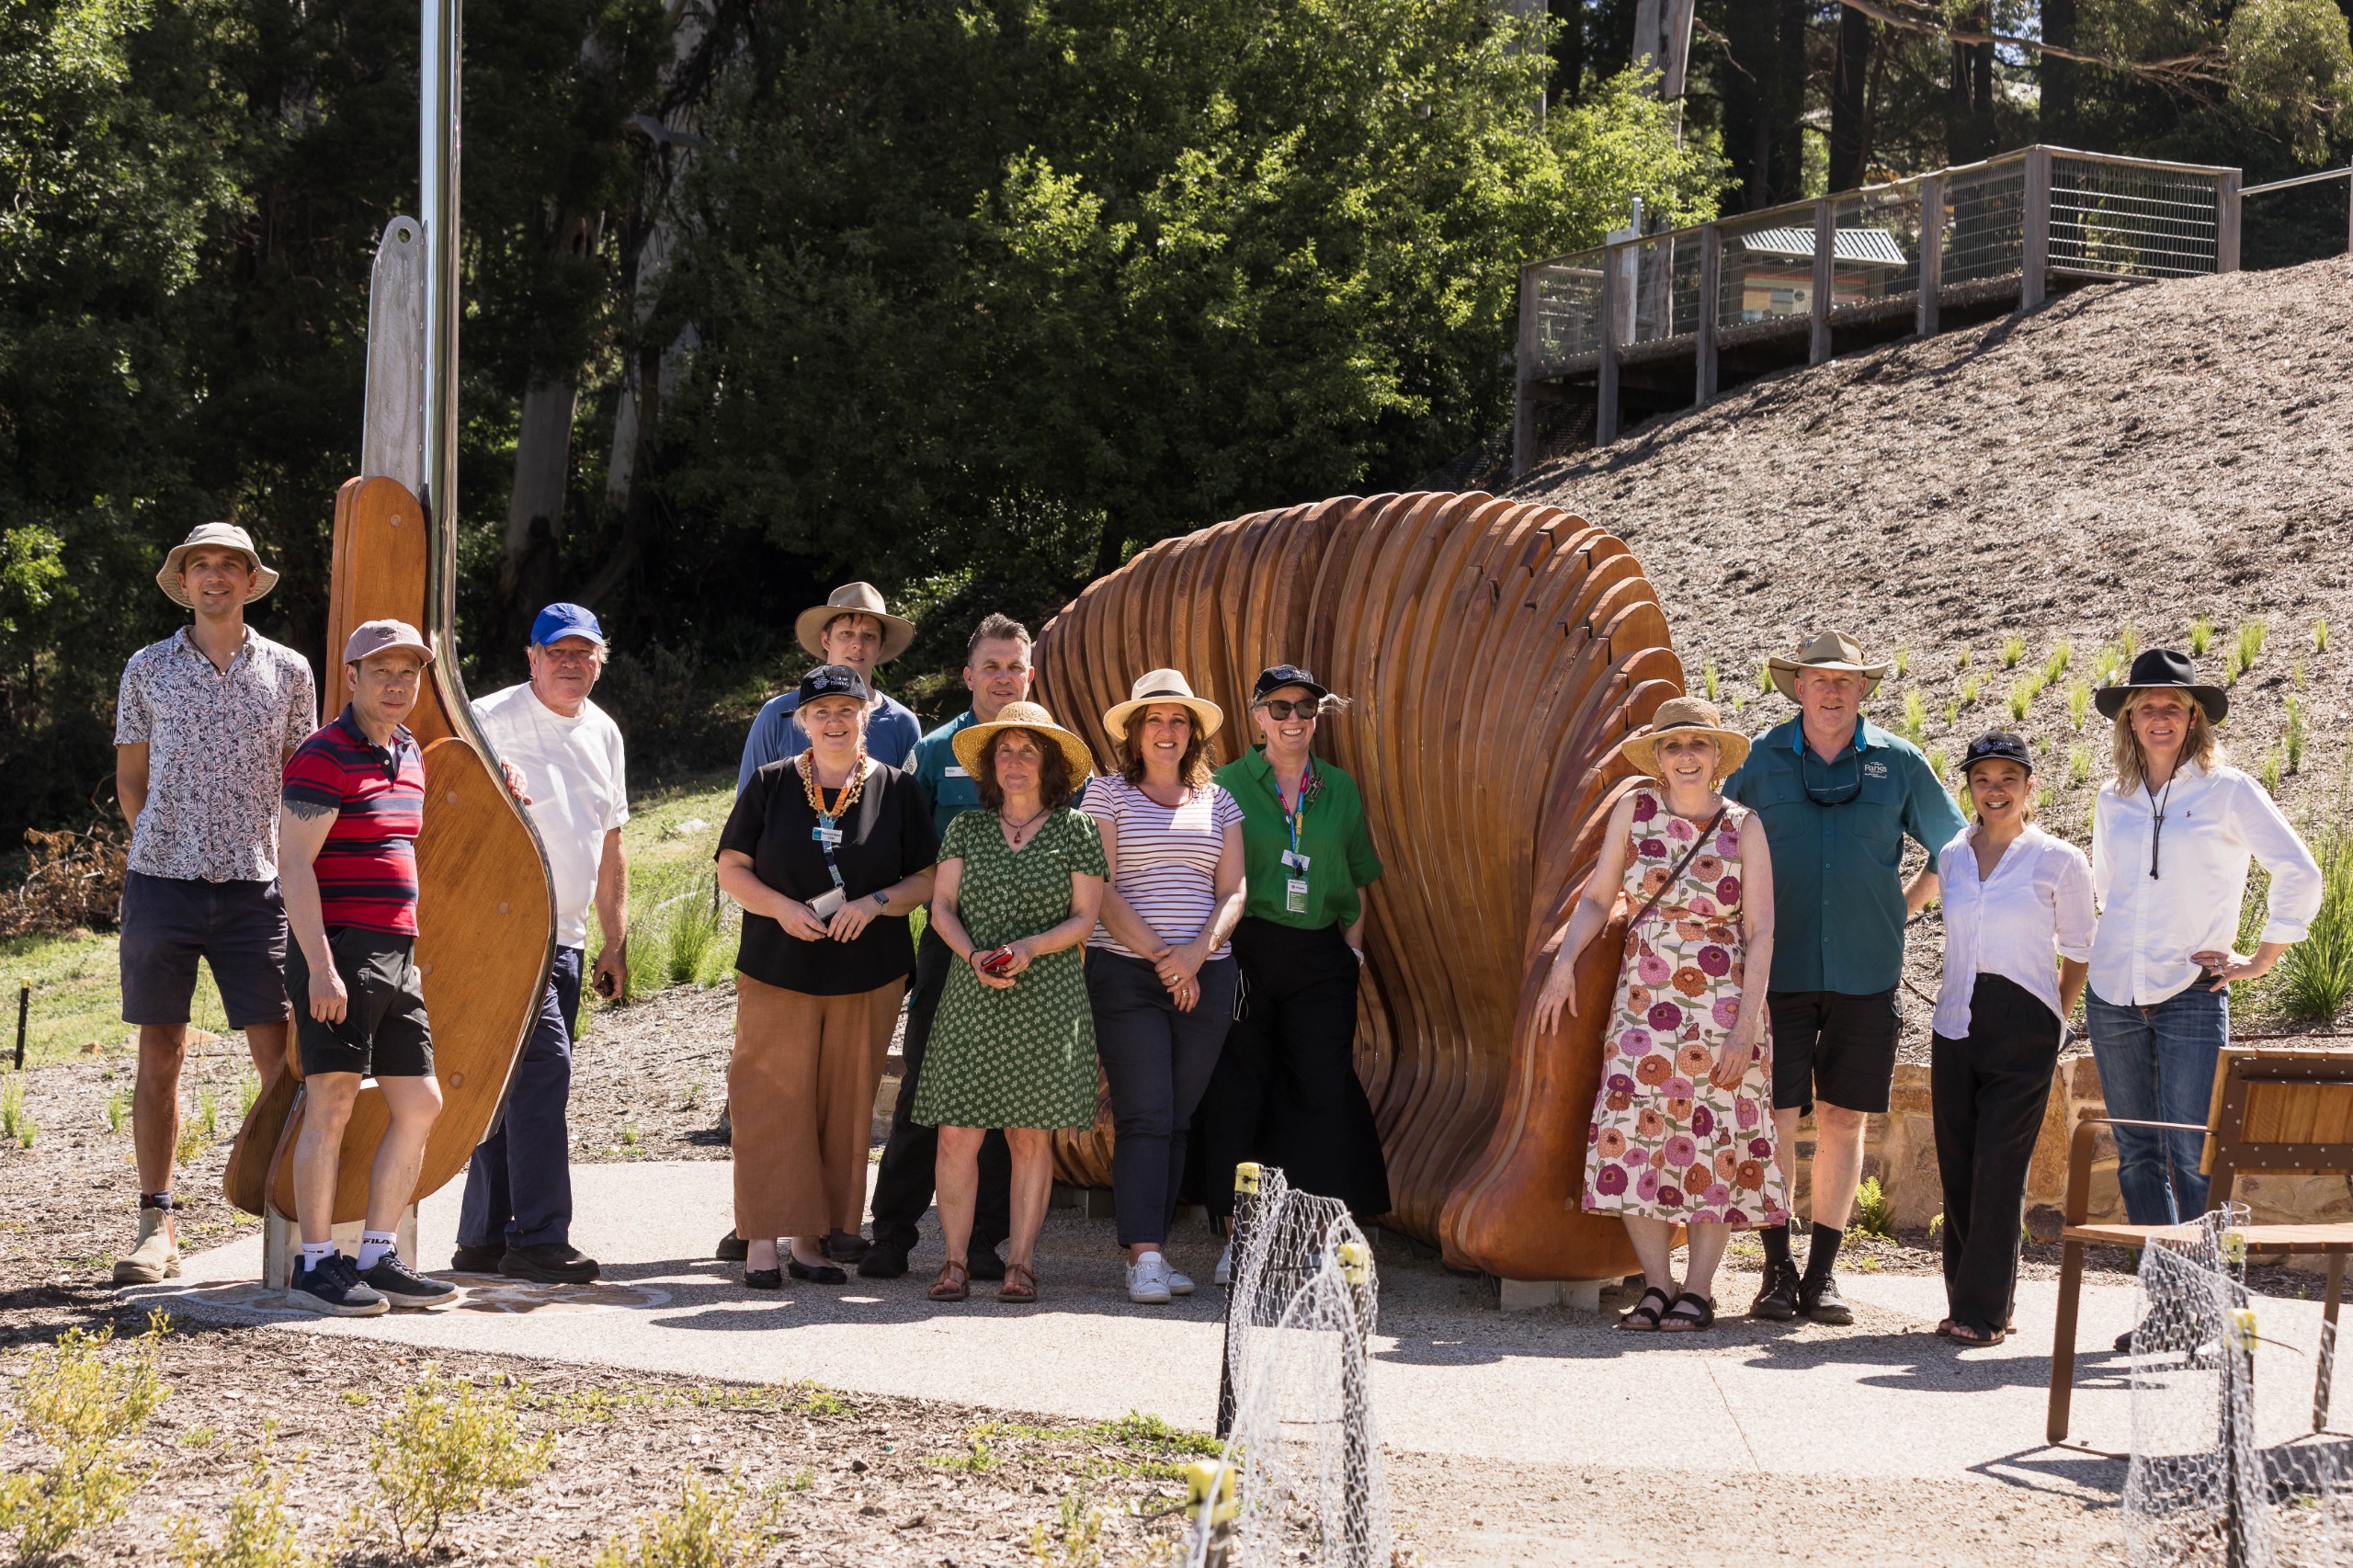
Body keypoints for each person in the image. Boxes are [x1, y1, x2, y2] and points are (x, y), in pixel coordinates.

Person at [1723, 630, 1965, 1325]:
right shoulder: (1760, 761)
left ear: (1863, 690)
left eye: (1845, 680)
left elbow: (1953, 846)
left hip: (1866, 971)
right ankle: (1775, 1270)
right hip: (1777, 973)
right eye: (1818, 679)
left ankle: (1823, 1276)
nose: (1831, 691)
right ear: (1797, 687)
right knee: (1775, 1118)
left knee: (1842, 1119)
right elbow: (1713, 843)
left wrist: (1903, 907)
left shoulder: (1900, 762)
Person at [1535, 697, 1786, 1332]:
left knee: (1714, 1140)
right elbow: (1598, 899)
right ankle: (1656, 1284)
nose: (1685, 757)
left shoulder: (1742, 826)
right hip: (1644, 1007)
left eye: (1697, 745)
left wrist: (1746, 1024)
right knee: (1636, 1133)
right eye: (1673, 746)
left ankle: (1699, 1291)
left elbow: (1760, 931)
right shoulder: (1634, 811)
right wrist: (1563, 964)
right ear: (1659, 758)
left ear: (1716, 756)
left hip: (1722, 1008)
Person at [110, 523, 317, 1288]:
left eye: (231, 566)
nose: (216, 578)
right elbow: (132, 779)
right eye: (202, 566)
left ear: (249, 580)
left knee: (278, 1052)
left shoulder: (289, 671)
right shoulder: (147, 669)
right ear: (185, 581)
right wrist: (166, 846)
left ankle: (289, 1213)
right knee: (160, 1050)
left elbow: (304, 782)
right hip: (161, 884)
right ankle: (155, 1225)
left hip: (258, 888)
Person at [715, 579, 922, 1265]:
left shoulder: (895, 788)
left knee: (845, 1107)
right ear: (801, 720)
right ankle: (763, 1243)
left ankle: (817, 1237)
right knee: (770, 1097)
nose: (835, 721)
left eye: (847, 709)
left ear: (869, 715)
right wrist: (780, 908)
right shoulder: (772, 782)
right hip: (781, 963)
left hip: (867, 969)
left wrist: (874, 904)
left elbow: (925, 877)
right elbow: (732, 867)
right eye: (822, 710)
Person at [2088, 649, 2323, 1226]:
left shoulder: (2229, 790)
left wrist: (2264, 957)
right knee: (2137, 1156)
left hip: (2192, 992)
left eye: (2174, 706)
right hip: (2113, 996)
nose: (2160, 717)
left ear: (2195, 718)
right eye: (2147, 707)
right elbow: (2107, 891)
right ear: (2131, 720)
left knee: (2194, 1157)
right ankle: (2168, 1298)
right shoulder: (2112, 800)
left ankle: (2213, 1300)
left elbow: (2299, 870)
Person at [276, 620, 459, 1316]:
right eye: (381, 670)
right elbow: (293, 866)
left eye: (408, 672)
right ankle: (316, 1264)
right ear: (350, 676)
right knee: (333, 1102)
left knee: (421, 1103)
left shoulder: (409, 749)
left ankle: (378, 1256)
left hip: (398, 952)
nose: (395, 684)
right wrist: (320, 967)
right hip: (339, 950)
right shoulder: (321, 755)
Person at [450, 604, 629, 1285]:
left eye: (585, 653)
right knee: (544, 1072)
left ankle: (483, 1237)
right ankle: (539, 1237)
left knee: (510, 1086)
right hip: (502, 934)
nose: (571, 663)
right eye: (558, 652)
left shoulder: (604, 731)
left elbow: (611, 840)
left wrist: (614, 939)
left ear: (600, 660)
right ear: (532, 657)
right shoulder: (490, 719)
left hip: (570, 936)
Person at [1201, 665, 1390, 1287]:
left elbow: (1359, 877)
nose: (1293, 721)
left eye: (1306, 710)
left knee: (1321, 1090)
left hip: (1320, 956)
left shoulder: (1338, 788)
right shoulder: (1226, 785)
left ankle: (1315, 1237)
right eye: (1279, 709)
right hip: (1248, 947)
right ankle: (1241, 1239)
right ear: (1257, 716)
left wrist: (1352, 956)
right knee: (1242, 1087)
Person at [859, 614, 1035, 1281]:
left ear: (1030, 674)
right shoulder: (934, 752)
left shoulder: (1050, 751)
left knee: (1000, 1096)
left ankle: (987, 1240)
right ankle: (894, 1233)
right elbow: (900, 851)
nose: (1002, 677)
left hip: (1026, 953)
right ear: (968, 675)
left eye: (1014, 666)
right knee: (925, 1090)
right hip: (947, 943)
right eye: (991, 666)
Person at [914, 702, 1106, 1305]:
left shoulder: (1077, 829)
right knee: (957, 1134)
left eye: (1028, 750)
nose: (1015, 761)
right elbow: (941, 907)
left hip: (1047, 997)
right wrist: (973, 955)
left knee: (1029, 1137)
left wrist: (1029, 948)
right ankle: (951, 1262)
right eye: (1005, 751)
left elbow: (1086, 918)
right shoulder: (966, 829)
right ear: (990, 766)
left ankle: (1020, 1263)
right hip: (973, 992)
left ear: (1048, 763)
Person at [1082, 670, 1246, 1304]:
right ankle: (1143, 1255)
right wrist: (1162, 957)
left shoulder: (1220, 801)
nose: (1168, 730)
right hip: (1127, 971)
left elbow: (1234, 890)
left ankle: (1156, 1247)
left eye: (1179, 720)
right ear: (1134, 731)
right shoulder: (1105, 796)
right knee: (1145, 1112)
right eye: (1155, 719)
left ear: (1193, 733)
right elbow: (1099, 890)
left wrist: (1197, 953)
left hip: (1207, 972)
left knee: (1177, 1117)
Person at [1929, 732, 2094, 1346]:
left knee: (2000, 1169)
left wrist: (2055, 1019)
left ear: (2030, 787)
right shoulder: (1951, 854)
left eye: (2007, 779)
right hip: (1954, 1021)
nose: (1994, 791)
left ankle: (1982, 1312)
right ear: (1969, 788)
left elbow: (2079, 951)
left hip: (2025, 1023)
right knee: (1960, 1170)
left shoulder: (2057, 860)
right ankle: (1970, 1300)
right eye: (1982, 780)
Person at [736, 582, 923, 787]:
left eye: (869, 636)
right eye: (846, 633)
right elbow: (749, 804)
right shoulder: (777, 715)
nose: (858, 645)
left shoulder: (902, 723)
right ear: (826, 640)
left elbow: (911, 807)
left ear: (880, 647)